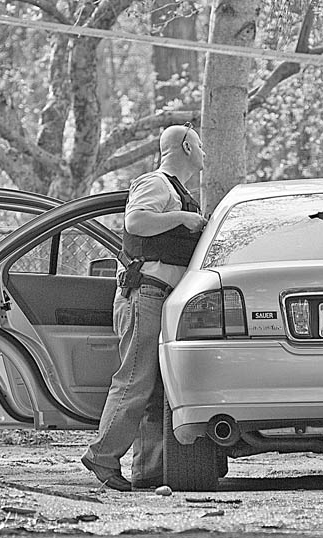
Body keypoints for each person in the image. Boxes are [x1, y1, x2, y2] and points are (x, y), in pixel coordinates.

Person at [81, 122, 208, 491]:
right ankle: (102, 457)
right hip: (144, 294)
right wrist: (184, 219)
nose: (203, 154)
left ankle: (149, 472)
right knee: (134, 380)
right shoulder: (157, 183)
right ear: (185, 146)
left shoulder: (178, 191)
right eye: (199, 145)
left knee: (155, 388)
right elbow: (135, 221)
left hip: (162, 299)